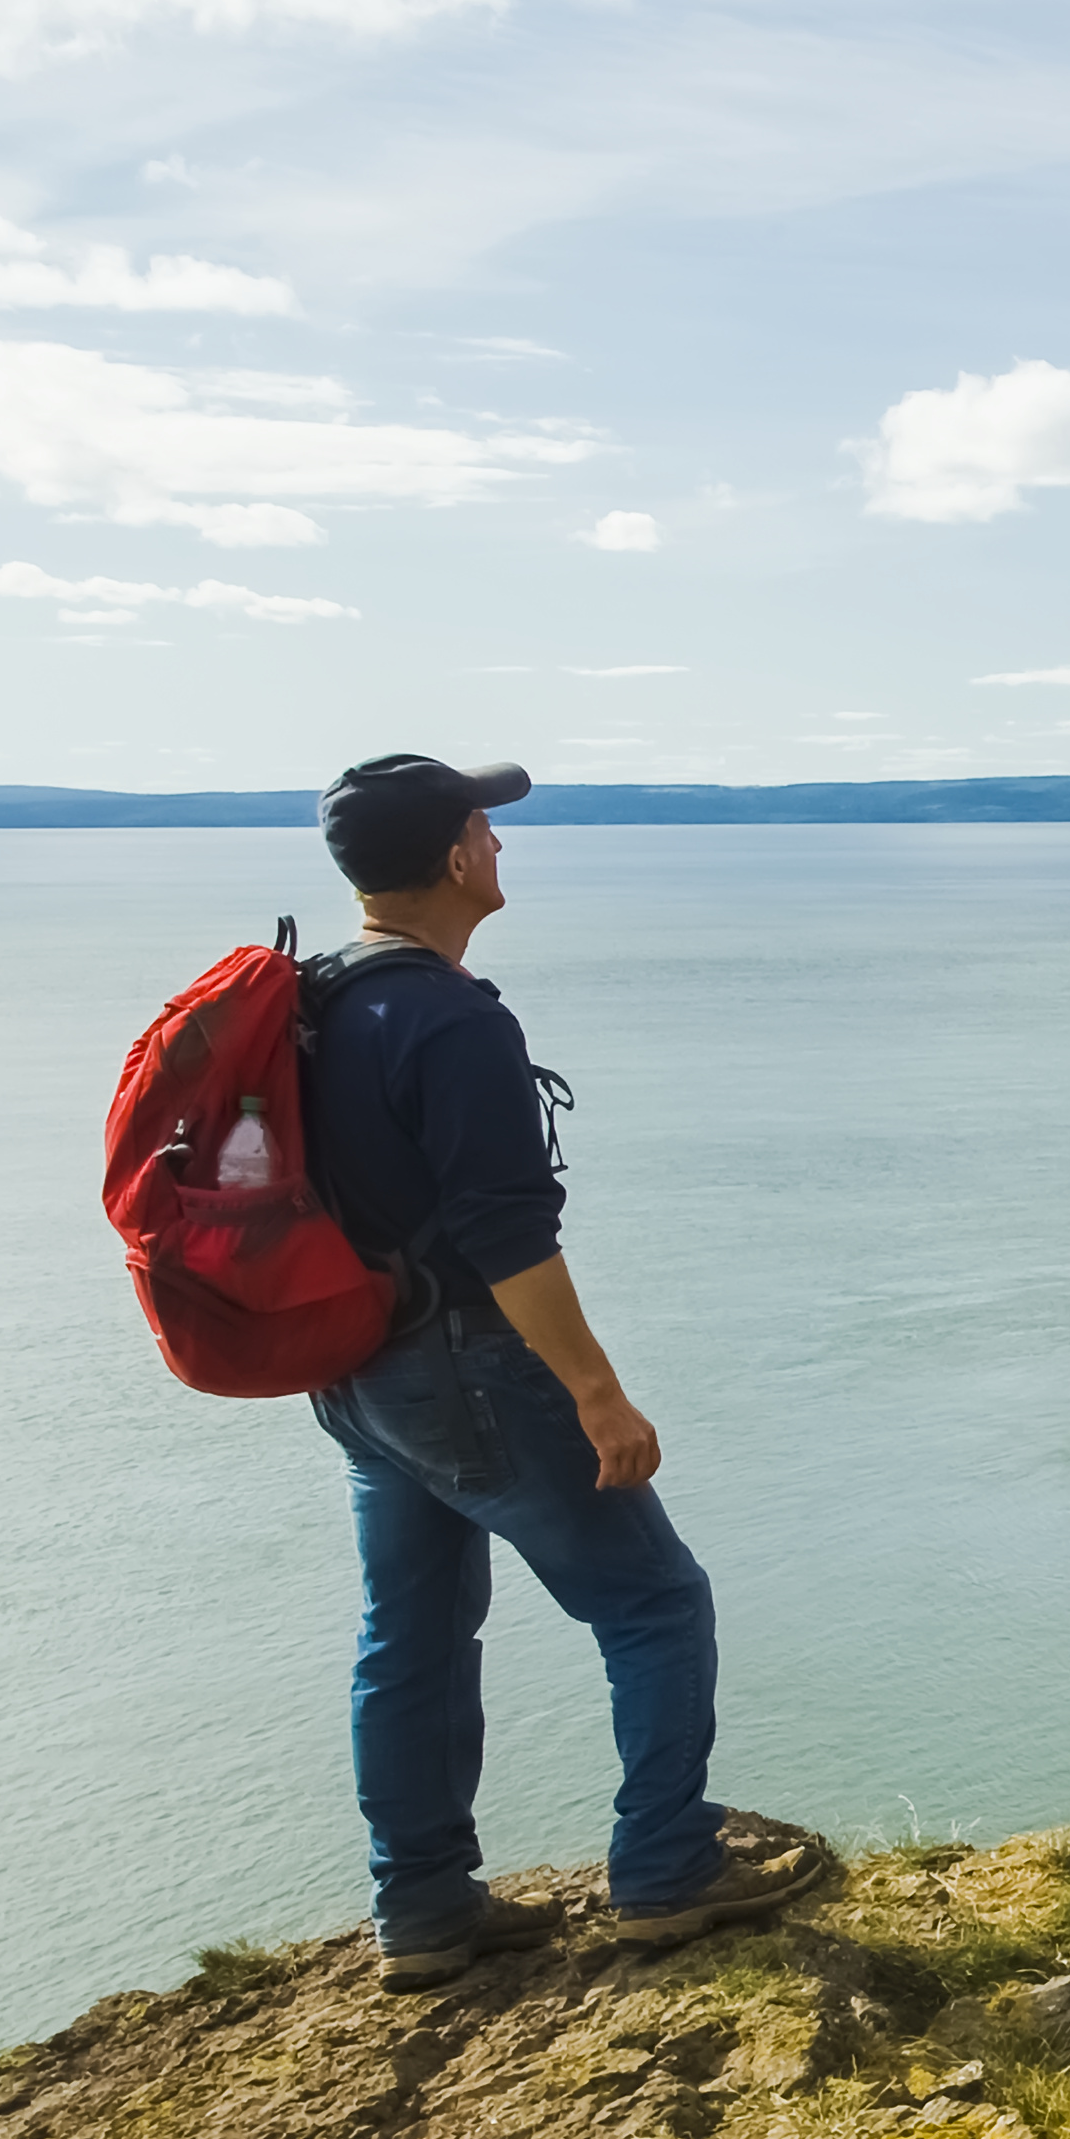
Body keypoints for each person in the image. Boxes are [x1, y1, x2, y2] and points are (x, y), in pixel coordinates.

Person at [299, 754, 818, 1987]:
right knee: (653, 1599)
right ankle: (664, 1869)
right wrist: (595, 1390)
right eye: (486, 823)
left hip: (360, 1375)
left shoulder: (318, 998)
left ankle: (421, 1905)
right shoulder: (451, 1016)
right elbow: (504, 1232)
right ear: (454, 857)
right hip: (469, 1365)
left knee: (412, 1630)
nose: (500, 839)